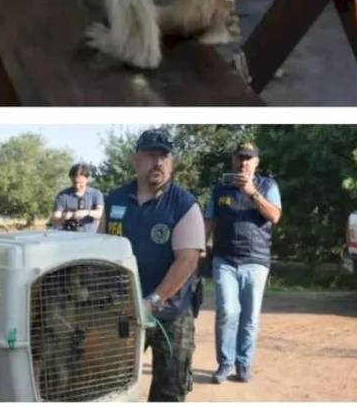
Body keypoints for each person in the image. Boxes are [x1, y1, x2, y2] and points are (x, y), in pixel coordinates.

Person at [101, 130, 205, 402]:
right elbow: (100, 249)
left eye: (165, 155)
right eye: (151, 154)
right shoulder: (115, 200)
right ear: (136, 160)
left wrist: (153, 301)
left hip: (170, 314)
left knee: (169, 391)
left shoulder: (184, 204)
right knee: (112, 387)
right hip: (121, 312)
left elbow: (188, 261)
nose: (158, 161)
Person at [204, 141, 281, 385]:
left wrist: (252, 192)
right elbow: (209, 222)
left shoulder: (268, 185)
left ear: (257, 162)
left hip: (256, 260)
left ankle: (244, 363)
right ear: (233, 160)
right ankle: (225, 364)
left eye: (249, 158)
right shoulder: (220, 188)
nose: (244, 163)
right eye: (240, 157)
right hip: (224, 259)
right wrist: (196, 250)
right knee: (228, 310)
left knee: (250, 317)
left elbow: (275, 215)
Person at [51, 163, 105, 232]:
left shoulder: (96, 194)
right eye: (74, 182)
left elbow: (100, 214)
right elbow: (55, 218)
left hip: (90, 237)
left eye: (80, 183)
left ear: (87, 179)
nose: (77, 186)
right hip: (67, 237)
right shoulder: (63, 195)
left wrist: (87, 212)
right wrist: (64, 216)